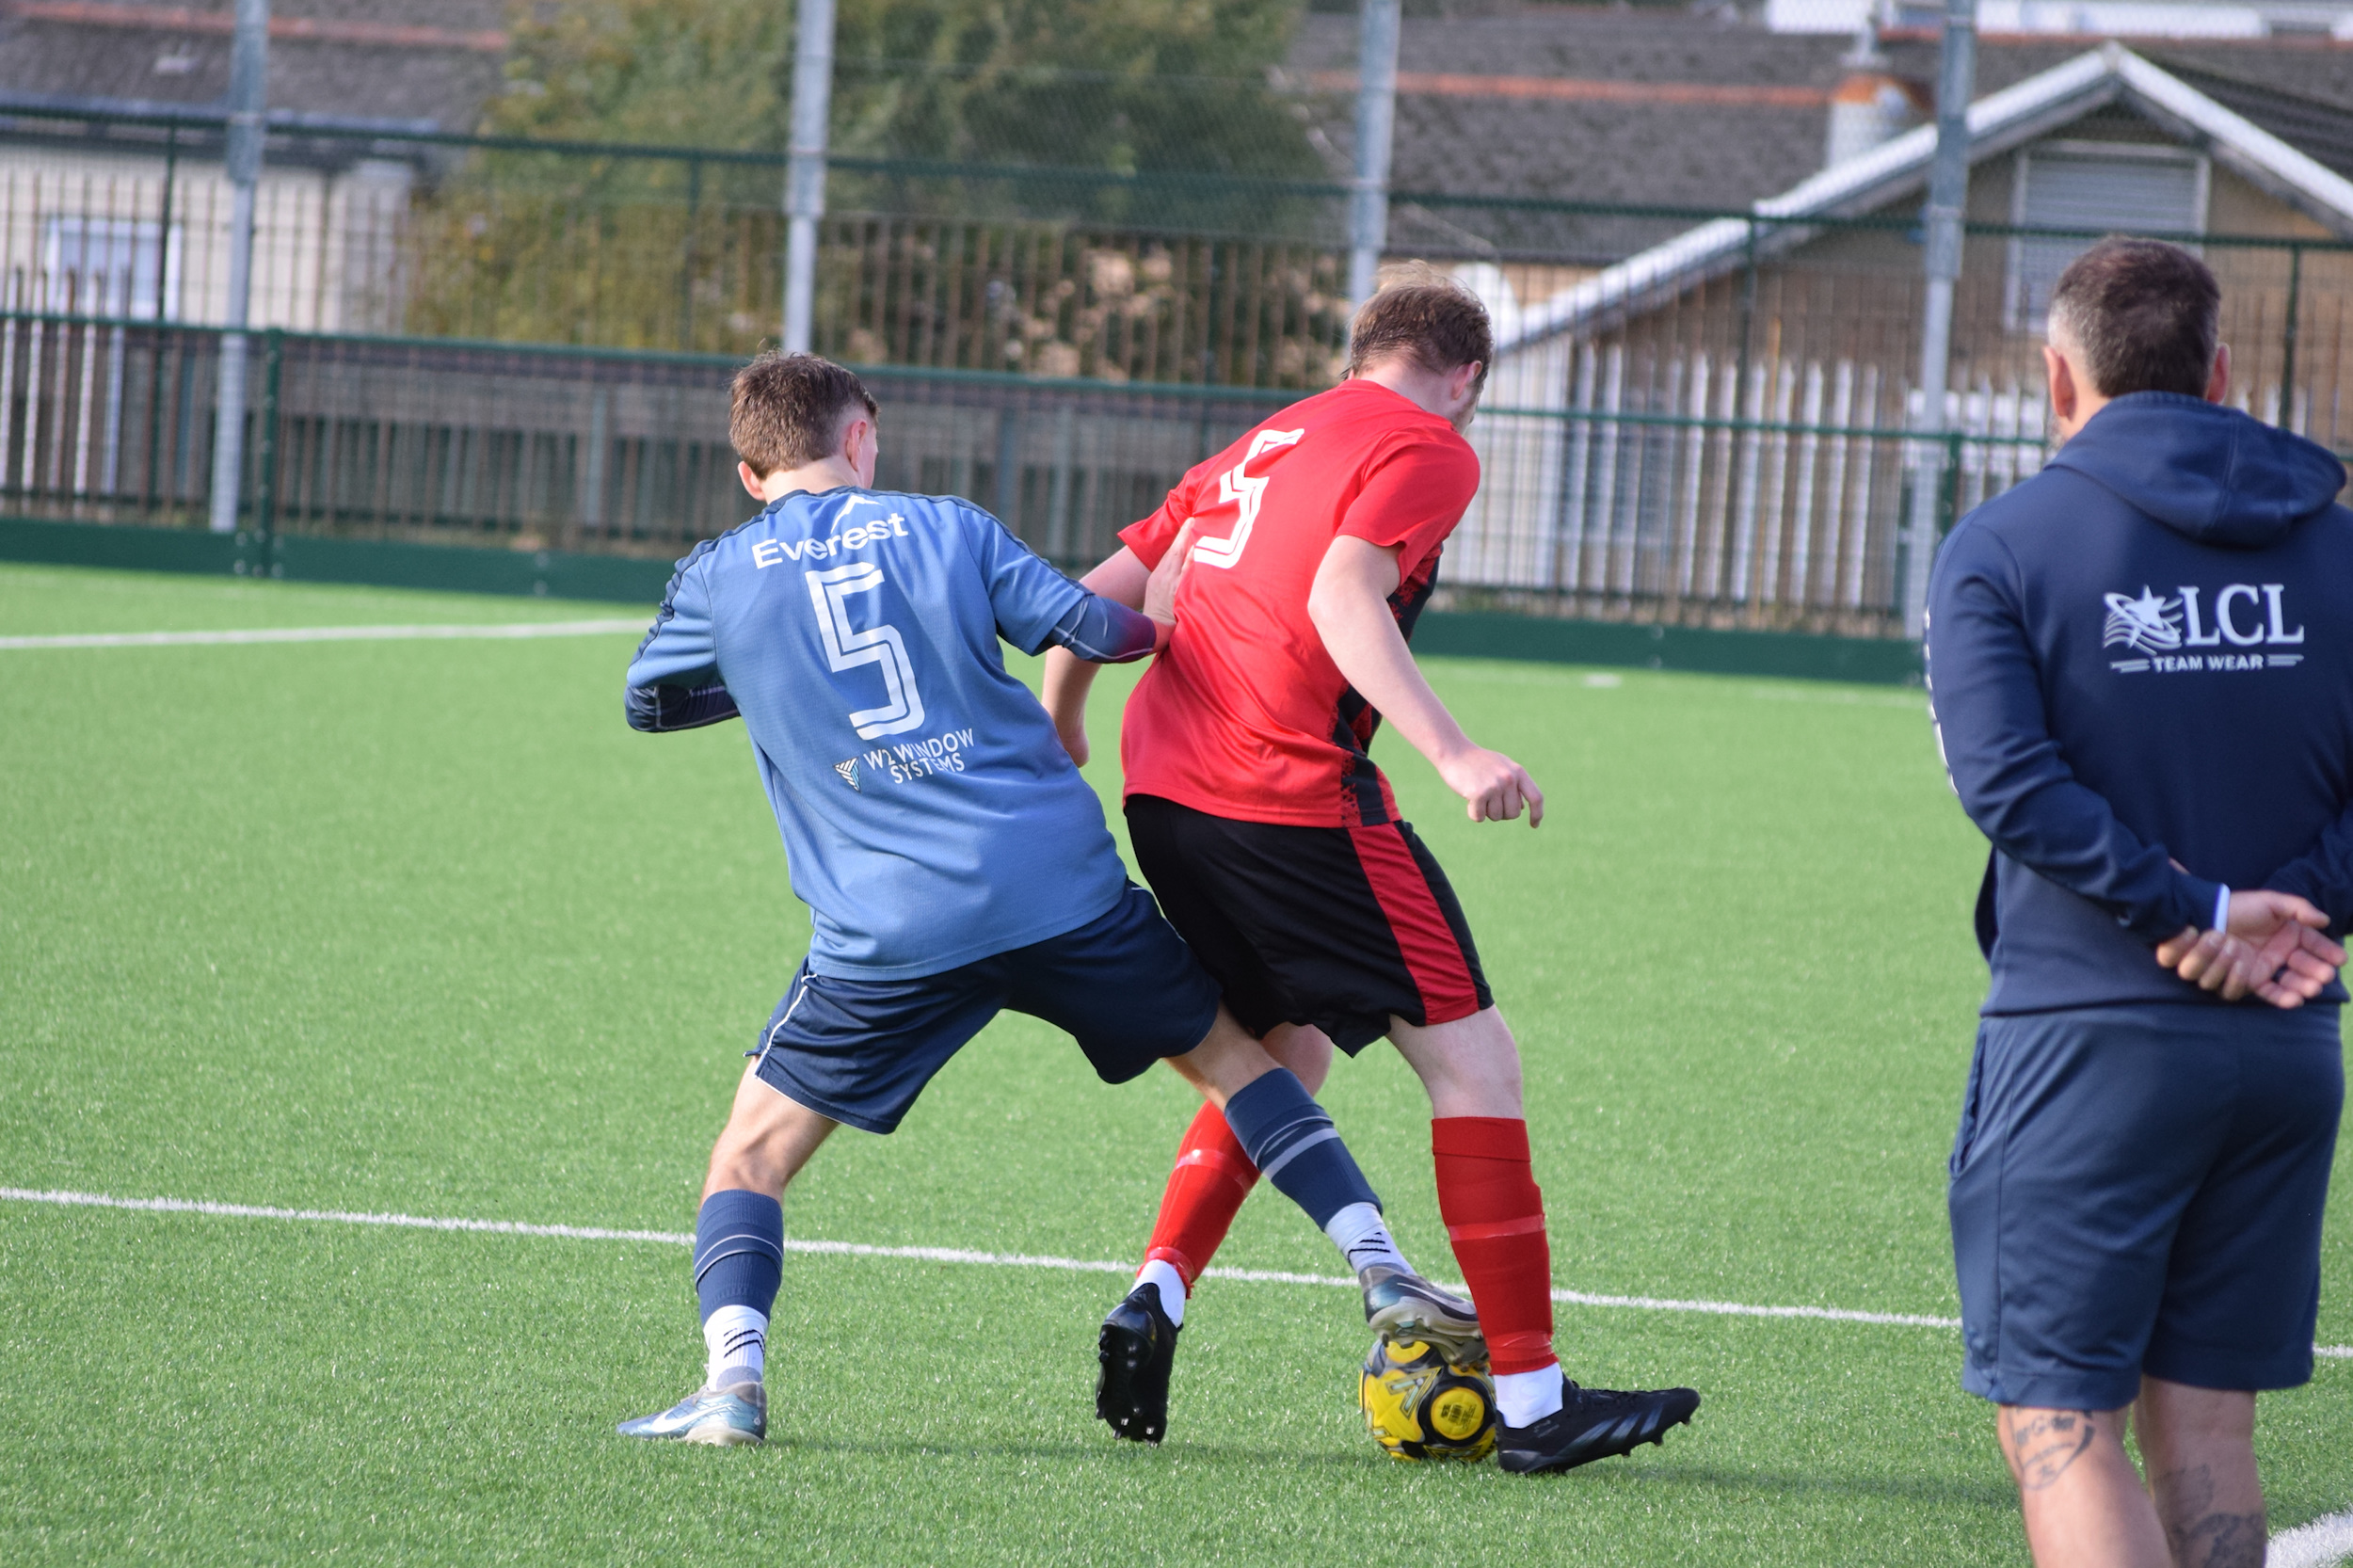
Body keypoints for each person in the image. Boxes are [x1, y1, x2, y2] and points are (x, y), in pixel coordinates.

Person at [616, 351, 1453, 1447]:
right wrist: (1191, 626)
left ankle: (732, 1385)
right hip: (1059, 891)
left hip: (888, 927)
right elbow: (1095, 628)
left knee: (749, 1157)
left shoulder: (717, 573)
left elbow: (649, 701)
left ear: (746, 473)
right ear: (860, 437)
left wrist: (778, 672)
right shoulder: (948, 527)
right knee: (1236, 1061)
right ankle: (1382, 1269)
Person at [1042, 276, 1701, 1474]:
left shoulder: (1265, 437)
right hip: (1289, 799)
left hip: (1166, 796)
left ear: (1361, 354)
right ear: (1467, 377)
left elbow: (1096, 597)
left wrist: (1065, 720)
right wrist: (1454, 752)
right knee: (1472, 1059)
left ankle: (1158, 1292)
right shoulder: (1429, 444)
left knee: (1279, 1049)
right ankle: (1537, 1402)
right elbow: (1341, 590)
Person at [1926, 235, 2351, 1567]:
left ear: (2058, 376)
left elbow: (2005, 781)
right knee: (2209, 1425)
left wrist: (2198, 907)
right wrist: (2294, 915)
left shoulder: (2003, 543)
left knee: (2060, 1423)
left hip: (2088, 1035)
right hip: (2290, 1044)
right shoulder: (2339, 544)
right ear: (2219, 371)